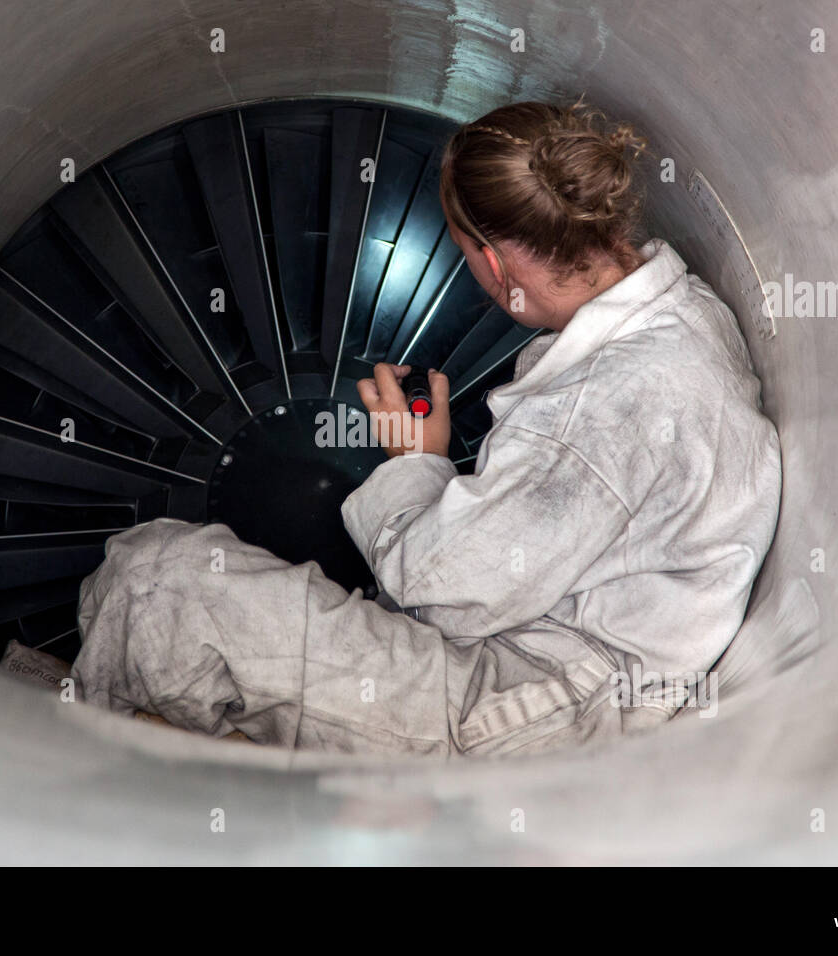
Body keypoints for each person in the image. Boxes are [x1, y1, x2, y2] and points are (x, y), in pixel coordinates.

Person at [69, 99, 782, 756]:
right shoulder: (683, 313)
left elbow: (442, 599)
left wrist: (415, 460)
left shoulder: (593, 414)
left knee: (150, 584)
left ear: (497, 265)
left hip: (534, 707)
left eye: (467, 255)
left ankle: (87, 791)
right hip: (589, 664)